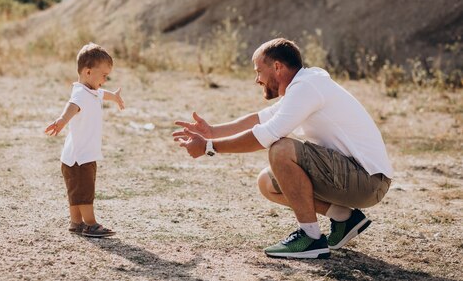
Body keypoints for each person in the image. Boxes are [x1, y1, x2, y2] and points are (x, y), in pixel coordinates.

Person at [173, 38, 393, 259]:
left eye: (259, 71)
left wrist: (209, 147)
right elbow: (260, 118)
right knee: (267, 183)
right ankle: (345, 218)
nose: (257, 79)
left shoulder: (307, 86)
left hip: (369, 181)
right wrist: (212, 131)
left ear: (277, 66)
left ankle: (311, 238)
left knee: (280, 148)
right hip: (358, 177)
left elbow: (267, 133)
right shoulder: (305, 84)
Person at [45, 43, 125, 238]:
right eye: (104, 76)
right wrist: (62, 120)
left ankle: (76, 223)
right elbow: (72, 106)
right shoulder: (80, 93)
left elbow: (101, 94)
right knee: (85, 191)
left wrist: (113, 97)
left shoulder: (92, 91)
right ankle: (90, 224)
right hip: (81, 157)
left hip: (74, 156)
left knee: (76, 192)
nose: (105, 80)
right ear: (88, 72)